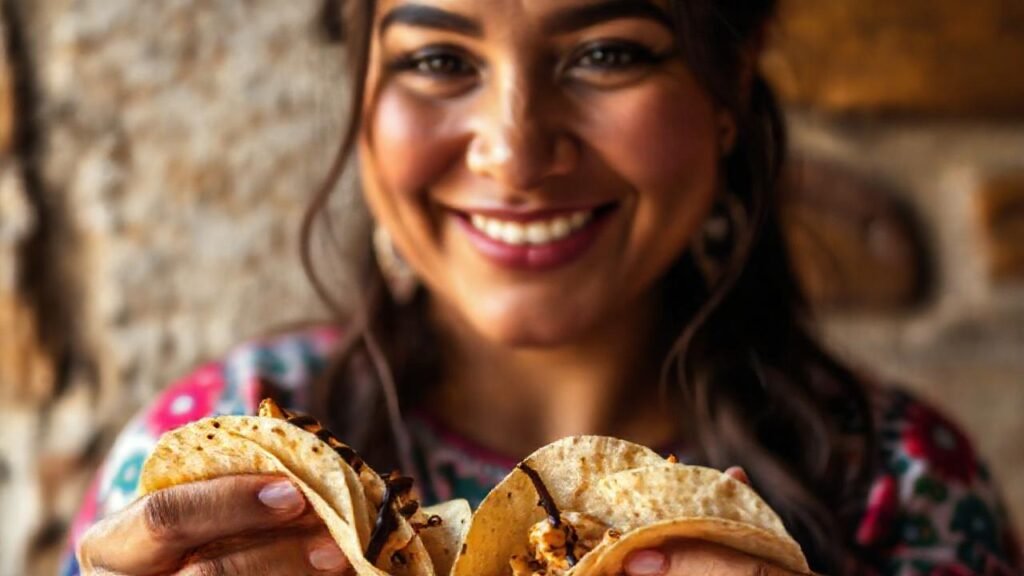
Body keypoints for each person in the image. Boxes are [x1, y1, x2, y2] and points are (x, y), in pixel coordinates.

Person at [64, 0, 1021, 574]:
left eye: (606, 52)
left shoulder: (900, 487)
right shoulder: (211, 460)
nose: (515, 154)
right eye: (439, 60)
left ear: (728, 87)